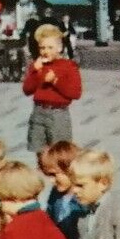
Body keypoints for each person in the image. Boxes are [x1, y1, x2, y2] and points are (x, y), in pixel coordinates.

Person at [22, 23, 82, 153]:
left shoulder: (68, 66)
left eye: (50, 47)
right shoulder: (37, 65)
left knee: (59, 153)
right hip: (38, 112)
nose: (45, 51)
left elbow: (75, 93)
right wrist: (35, 72)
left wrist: (55, 81)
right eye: (42, 47)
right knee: (39, 151)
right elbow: (27, 90)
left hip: (58, 113)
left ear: (60, 48)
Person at [38, 140, 86, 239]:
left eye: (54, 175)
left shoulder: (83, 198)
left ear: (70, 170)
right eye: (48, 175)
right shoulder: (56, 194)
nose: (51, 181)